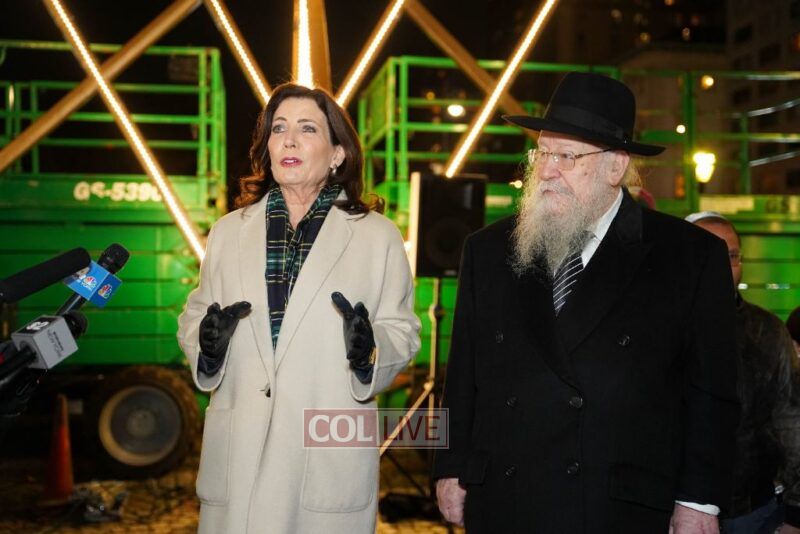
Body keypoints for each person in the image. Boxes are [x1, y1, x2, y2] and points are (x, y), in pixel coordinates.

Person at [432, 72, 740, 533]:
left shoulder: (689, 257)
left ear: (615, 167)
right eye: (542, 153)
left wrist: (698, 501)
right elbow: (460, 377)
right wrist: (450, 465)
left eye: (567, 156)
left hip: (615, 507)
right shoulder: (489, 250)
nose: (546, 170)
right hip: (505, 501)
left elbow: (712, 394)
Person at [177, 83, 421, 533]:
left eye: (307, 129)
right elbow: (196, 316)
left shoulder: (377, 236)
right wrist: (207, 346)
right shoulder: (228, 232)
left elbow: (403, 330)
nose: (288, 140)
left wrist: (370, 351)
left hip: (325, 456)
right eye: (279, 129)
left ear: (337, 154)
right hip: (240, 455)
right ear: (267, 147)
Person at [686, 211, 800, 534]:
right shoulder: (655, 328)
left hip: (752, 513)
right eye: (708, 253)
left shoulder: (768, 331)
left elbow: (793, 422)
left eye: (732, 255)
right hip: (672, 510)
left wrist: (796, 512)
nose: (723, 266)